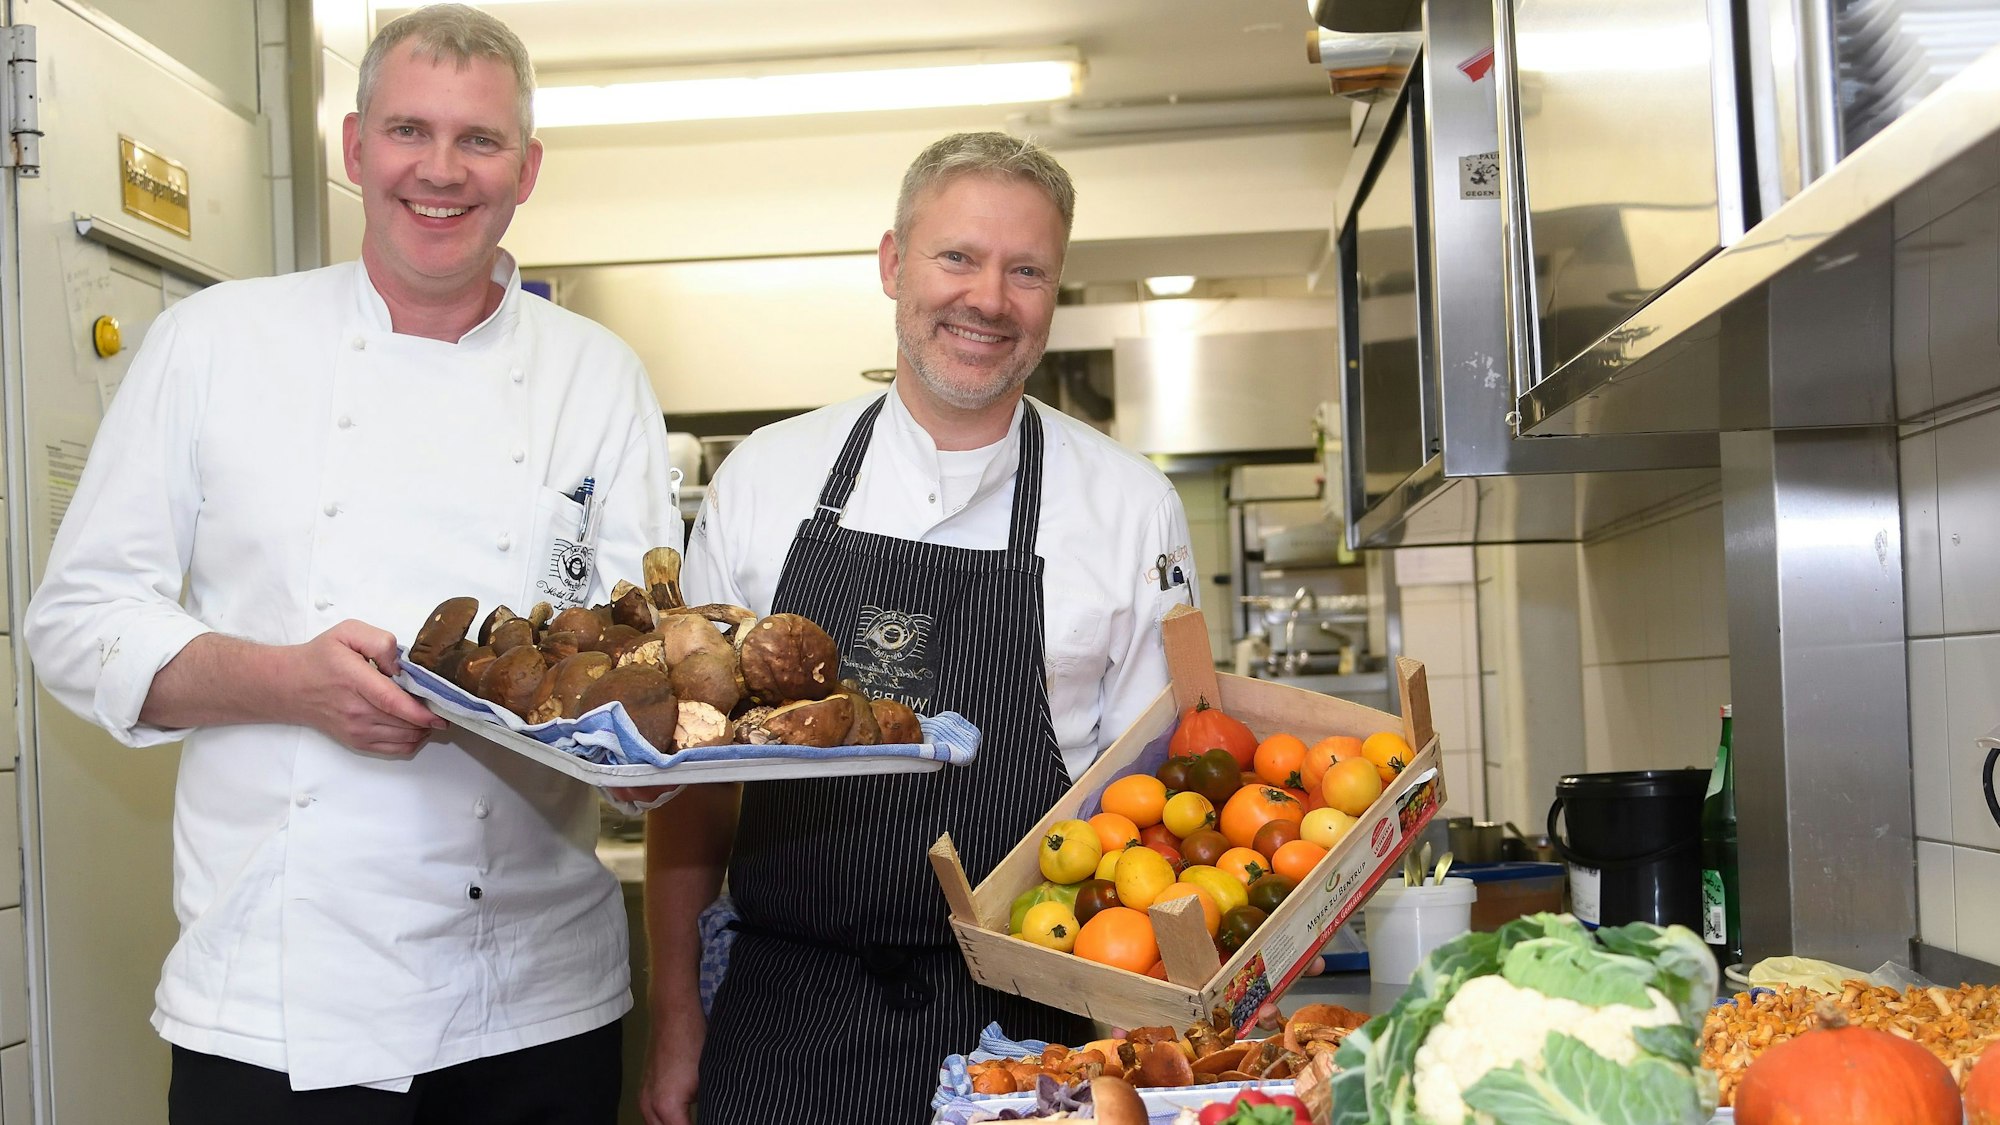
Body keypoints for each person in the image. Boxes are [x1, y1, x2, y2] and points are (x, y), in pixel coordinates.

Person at [22, 5, 678, 1122]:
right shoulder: (217, 342)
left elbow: (638, 653)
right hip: (276, 997)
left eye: (478, 142)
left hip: (537, 999)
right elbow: (76, 621)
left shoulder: (597, 376)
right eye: (408, 131)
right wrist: (289, 684)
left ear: (526, 169)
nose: (440, 171)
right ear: (354, 147)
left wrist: (648, 751)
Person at [639, 132, 1198, 1125]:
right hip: (782, 1021)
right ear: (893, 264)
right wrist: (677, 1019)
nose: (988, 298)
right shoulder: (766, 480)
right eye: (956, 258)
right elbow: (694, 791)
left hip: (1033, 1032)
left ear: (1054, 293)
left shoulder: (1128, 506)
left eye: (1025, 270)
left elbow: (1148, 806)